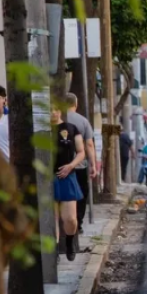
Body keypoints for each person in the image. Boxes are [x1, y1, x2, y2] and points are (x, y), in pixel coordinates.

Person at [51, 106, 85, 261]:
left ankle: (70, 242)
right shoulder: (39, 130)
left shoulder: (71, 128)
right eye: (48, 109)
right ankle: (55, 250)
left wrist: (71, 166)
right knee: (52, 217)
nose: (52, 112)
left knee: (70, 218)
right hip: (47, 177)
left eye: (55, 109)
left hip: (67, 176)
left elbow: (81, 152)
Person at [64, 93, 97, 234]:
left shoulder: (56, 119)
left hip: (61, 166)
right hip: (79, 166)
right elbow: (89, 145)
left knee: (64, 195)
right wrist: (93, 164)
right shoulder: (83, 121)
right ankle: (79, 223)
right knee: (81, 194)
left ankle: (65, 224)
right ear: (75, 104)